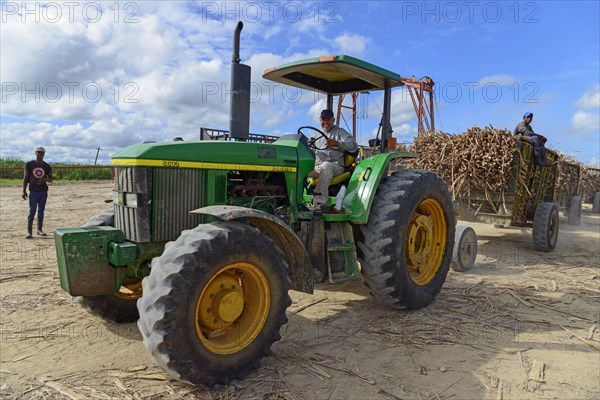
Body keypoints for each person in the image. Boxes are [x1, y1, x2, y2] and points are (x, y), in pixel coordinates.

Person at [310, 109, 358, 211]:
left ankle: (318, 203)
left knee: (326, 166)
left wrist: (337, 144)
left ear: (333, 120)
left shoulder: (340, 132)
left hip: (335, 167)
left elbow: (353, 145)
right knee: (299, 168)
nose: (326, 122)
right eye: (323, 119)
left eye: (329, 119)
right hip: (317, 167)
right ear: (320, 120)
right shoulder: (316, 135)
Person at [22, 147, 53, 238]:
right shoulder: (29, 164)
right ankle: (29, 232)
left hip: (43, 191)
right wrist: (23, 190)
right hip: (33, 191)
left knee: (41, 211)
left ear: (44, 154)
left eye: (42, 153)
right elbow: (25, 178)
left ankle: (39, 230)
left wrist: (45, 179)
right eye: (38, 152)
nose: (40, 154)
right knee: (32, 211)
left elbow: (51, 179)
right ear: (35, 153)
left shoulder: (47, 166)